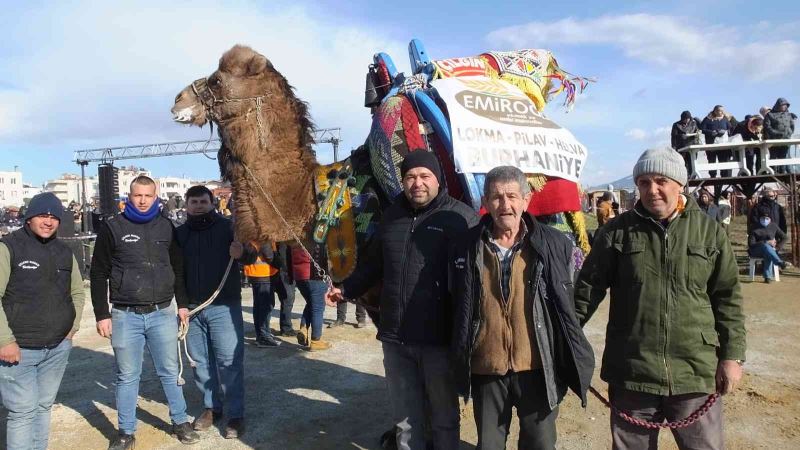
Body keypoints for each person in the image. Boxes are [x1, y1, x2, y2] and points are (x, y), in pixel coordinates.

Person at [574, 148, 746, 450]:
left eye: (661, 181)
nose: (652, 190)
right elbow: (585, 292)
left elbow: (727, 298)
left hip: (694, 371)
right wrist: (561, 337)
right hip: (632, 372)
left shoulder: (709, 233)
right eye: (643, 182)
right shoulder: (617, 233)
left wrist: (732, 356)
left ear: (679, 184)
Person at [327, 151, 478, 450]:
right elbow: (373, 266)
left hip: (439, 339)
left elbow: (475, 280)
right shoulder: (392, 217)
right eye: (410, 177)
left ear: (438, 180)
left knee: (444, 416)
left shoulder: (461, 219)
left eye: (425, 176)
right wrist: (345, 290)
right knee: (406, 418)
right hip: (396, 338)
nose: (417, 183)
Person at [450, 166, 594, 450]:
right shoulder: (465, 247)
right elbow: (458, 302)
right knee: (489, 445)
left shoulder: (553, 244)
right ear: (485, 202)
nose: (505, 205)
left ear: (526, 200)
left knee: (539, 443)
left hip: (538, 367)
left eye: (512, 196)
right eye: (497, 197)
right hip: (486, 367)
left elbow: (569, 303)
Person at [90, 176, 199, 450]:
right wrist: (102, 314)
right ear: (129, 195)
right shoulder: (112, 227)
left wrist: (182, 304)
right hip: (125, 315)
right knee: (127, 376)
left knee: (169, 370)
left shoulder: (168, 227)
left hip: (162, 312)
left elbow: (178, 268)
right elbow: (98, 272)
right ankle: (126, 432)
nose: (142, 200)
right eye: (137, 195)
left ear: (155, 196)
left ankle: (180, 421)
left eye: (147, 196)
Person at [0, 193, 85, 450]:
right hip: (19, 350)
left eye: (53, 217)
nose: (48, 222)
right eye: (42, 216)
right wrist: (5, 340)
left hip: (57, 348)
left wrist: (73, 328)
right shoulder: (8, 247)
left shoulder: (64, 251)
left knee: (43, 407)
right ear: (29, 218)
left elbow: (78, 292)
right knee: (22, 412)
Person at [175, 185, 252, 438]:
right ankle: (212, 408)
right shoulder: (180, 234)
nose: (198, 206)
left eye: (203, 201)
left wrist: (243, 253)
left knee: (230, 363)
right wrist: (182, 304)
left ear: (211, 203)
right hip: (193, 310)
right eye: (193, 202)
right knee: (200, 364)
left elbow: (253, 253)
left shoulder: (228, 227)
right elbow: (176, 273)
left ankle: (236, 415)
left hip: (223, 306)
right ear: (186, 206)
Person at [291, 244, 331, 350]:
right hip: (314, 276)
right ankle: (316, 341)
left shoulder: (294, 237)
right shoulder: (317, 233)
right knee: (318, 308)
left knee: (311, 303)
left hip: (299, 276)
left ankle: (304, 329)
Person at [748, 205, 792, 283]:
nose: (765, 220)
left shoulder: (773, 226)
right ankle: (779, 263)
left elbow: (785, 237)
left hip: (768, 250)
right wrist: (765, 242)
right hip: (755, 250)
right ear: (759, 219)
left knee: (768, 251)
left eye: (767, 218)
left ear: (770, 219)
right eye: (763, 218)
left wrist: (778, 247)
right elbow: (751, 244)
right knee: (766, 246)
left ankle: (767, 277)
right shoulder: (754, 227)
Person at [763, 98, 795, 173]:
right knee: (773, 156)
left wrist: (789, 132)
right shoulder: (770, 115)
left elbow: (792, 125)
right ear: (778, 105)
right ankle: (772, 172)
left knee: (783, 156)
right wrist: (775, 133)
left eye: (786, 105)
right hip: (774, 141)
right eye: (783, 105)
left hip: (786, 140)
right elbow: (767, 126)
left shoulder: (788, 115)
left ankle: (782, 172)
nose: (785, 107)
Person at [700, 105, 733, 178]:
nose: (721, 112)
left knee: (723, 161)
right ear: (715, 111)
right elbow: (702, 129)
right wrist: (711, 132)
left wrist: (724, 131)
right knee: (712, 161)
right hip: (711, 144)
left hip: (722, 145)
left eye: (722, 111)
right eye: (719, 111)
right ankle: (713, 176)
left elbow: (730, 128)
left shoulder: (724, 119)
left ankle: (724, 177)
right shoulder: (708, 119)